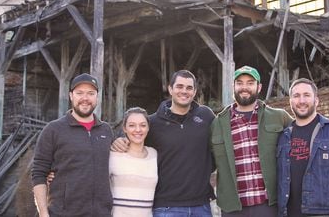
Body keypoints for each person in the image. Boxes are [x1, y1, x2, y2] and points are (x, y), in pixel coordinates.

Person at [112, 70, 215, 217]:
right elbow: (134, 138)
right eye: (179, 86)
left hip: (201, 206)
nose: (184, 91)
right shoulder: (153, 123)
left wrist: (205, 168)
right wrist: (119, 140)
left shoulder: (206, 116)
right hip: (167, 207)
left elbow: (217, 147)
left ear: (195, 92)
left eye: (189, 88)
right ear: (170, 89)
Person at [211, 65, 293, 216]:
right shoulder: (217, 124)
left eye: (250, 83)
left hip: (269, 206)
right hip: (233, 209)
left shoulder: (279, 117)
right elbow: (204, 161)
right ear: (233, 86)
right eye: (240, 83)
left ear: (259, 87)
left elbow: (304, 135)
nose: (244, 87)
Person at [31, 73, 113, 217]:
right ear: (71, 96)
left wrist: (120, 142)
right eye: (79, 93)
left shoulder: (106, 130)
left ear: (97, 97)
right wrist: (43, 213)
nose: (85, 98)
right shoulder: (53, 130)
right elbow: (38, 174)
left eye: (90, 93)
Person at [276, 78, 329, 216]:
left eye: (307, 95)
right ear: (290, 102)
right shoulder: (283, 136)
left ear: (316, 100)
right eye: (296, 96)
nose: (301, 101)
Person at [109, 107, 158, 217]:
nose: (138, 130)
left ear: (148, 128)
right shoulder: (113, 155)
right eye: (131, 125)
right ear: (124, 128)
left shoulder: (154, 155)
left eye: (143, 125)